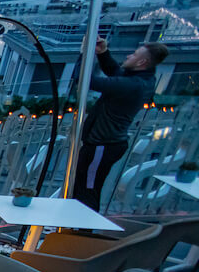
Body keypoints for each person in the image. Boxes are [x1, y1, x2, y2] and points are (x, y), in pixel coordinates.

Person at [72, 39, 169, 211]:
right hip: (105, 145)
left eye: (134, 54)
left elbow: (84, 80)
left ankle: (82, 231)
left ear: (141, 62)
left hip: (102, 146)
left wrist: (84, 54)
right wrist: (103, 53)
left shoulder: (134, 85)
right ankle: (77, 227)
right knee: (86, 186)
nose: (128, 55)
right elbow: (115, 71)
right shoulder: (140, 79)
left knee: (87, 190)